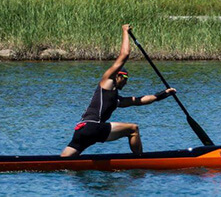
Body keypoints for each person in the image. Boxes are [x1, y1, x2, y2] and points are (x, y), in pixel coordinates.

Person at [61, 24, 175, 157]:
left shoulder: (116, 99)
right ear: (118, 76)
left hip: (81, 129)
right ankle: (141, 160)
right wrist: (125, 31)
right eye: (125, 78)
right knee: (133, 129)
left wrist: (163, 94)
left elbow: (138, 101)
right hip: (93, 127)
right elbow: (124, 54)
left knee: (63, 161)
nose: (126, 81)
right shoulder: (107, 82)